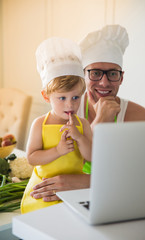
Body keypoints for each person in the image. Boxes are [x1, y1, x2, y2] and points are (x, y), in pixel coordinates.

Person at [30, 24, 145, 202]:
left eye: (113, 74)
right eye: (95, 73)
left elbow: (136, 176)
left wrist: (84, 181)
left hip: (111, 198)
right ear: (83, 76)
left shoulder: (137, 114)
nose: (104, 82)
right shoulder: (67, 107)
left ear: (121, 77)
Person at [20, 37, 92, 213]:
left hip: (75, 189)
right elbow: (32, 158)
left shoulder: (82, 124)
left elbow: (91, 156)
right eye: (62, 98)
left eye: (76, 97)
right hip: (44, 188)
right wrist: (58, 151)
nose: (70, 105)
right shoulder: (40, 124)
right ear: (46, 96)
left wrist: (80, 137)